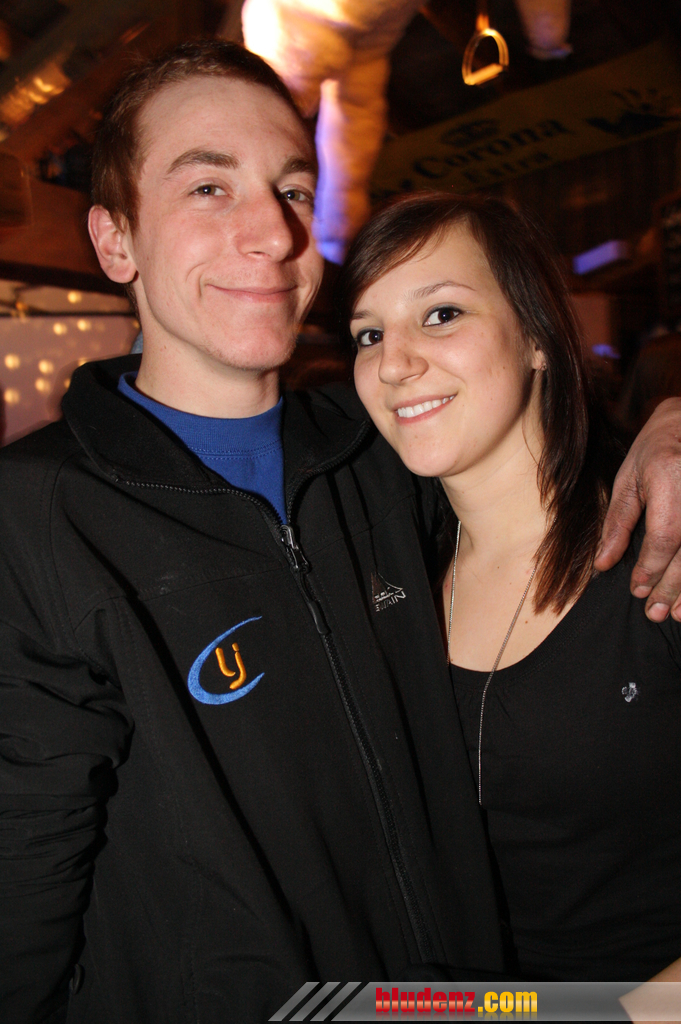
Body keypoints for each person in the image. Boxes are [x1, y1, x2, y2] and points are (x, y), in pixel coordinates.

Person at [0, 41, 679, 1024]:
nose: (273, 232)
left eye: (290, 190)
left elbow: (536, 446)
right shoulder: (40, 516)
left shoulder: (380, 455)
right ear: (115, 242)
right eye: (208, 187)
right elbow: (22, 872)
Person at [340, 190, 681, 983]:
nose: (392, 362)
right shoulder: (385, 568)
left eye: (441, 314)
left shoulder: (661, 552)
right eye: (368, 333)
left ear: (535, 335)